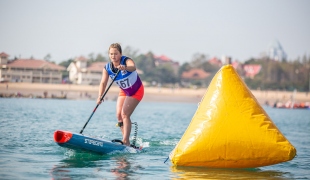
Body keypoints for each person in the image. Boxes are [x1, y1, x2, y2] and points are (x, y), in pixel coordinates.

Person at [97, 43, 144, 146]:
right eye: (111, 54)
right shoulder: (107, 68)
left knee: (125, 114)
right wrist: (100, 95)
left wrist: (125, 68)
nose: (113, 56)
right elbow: (103, 83)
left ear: (120, 54)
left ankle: (126, 141)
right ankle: (126, 141)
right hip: (124, 91)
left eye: (116, 54)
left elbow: (133, 67)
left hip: (136, 90)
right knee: (119, 116)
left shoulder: (126, 60)